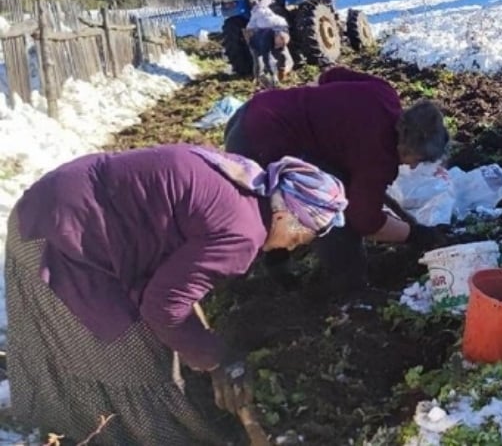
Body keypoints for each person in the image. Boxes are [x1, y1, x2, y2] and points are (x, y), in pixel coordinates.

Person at [5, 144, 348, 445]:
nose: (298, 244)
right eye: (304, 235)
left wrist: (203, 350)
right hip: (63, 236)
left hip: (60, 202)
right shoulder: (242, 235)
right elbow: (163, 306)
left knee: (160, 344)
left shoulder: (245, 180)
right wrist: (216, 357)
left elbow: (175, 273)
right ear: (285, 214)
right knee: (135, 361)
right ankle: (87, 430)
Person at [224, 65, 450, 292]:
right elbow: (365, 222)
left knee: (323, 186)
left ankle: (277, 259)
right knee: (329, 209)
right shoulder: (378, 156)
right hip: (260, 142)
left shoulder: (383, 93)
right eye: (416, 159)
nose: (412, 165)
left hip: (255, 109)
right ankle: (347, 290)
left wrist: (322, 119)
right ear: (406, 146)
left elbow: (330, 76)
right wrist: (415, 235)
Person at [245, 0, 293, 88]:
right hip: (255, 43)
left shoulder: (280, 30)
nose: (280, 45)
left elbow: (283, 45)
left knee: (284, 54)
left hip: (273, 33)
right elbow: (268, 60)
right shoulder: (265, 41)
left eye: (281, 44)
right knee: (259, 63)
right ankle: (259, 80)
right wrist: (273, 75)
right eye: (279, 44)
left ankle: (283, 70)